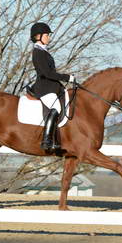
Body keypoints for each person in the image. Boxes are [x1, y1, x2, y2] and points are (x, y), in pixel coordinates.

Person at [29, 22, 75, 151]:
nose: (49, 37)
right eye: (47, 35)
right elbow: (47, 73)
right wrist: (67, 78)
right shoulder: (38, 52)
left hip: (51, 86)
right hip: (44, 87)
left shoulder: (44, 51)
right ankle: (47, 140)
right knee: (56, 107)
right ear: (38, 36)